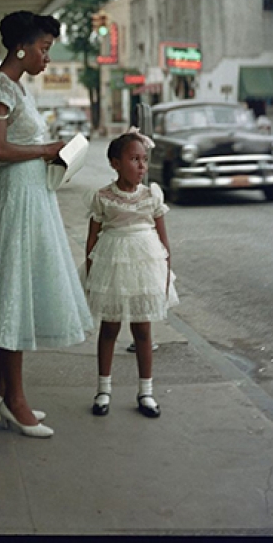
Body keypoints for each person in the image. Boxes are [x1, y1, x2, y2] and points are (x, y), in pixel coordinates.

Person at [0, 11, 95, 439]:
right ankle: (15, 400)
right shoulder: (0, 87)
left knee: (18, 293)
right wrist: (47, 149)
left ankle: (4, 392)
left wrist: (51, 153)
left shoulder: (16, 88)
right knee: (12, 294)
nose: (47, 58)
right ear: (21, 47)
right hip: (15, 198)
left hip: (32, 196)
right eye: (44, 49)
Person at [82, 129, 176, 418]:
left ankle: (146, 391)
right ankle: (103, 389)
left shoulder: (151, 196)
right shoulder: (103, 197)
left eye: (144, 159)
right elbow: (92, 239)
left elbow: (164, 241)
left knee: (143, 330)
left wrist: (165, 274)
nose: (141, 166)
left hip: (144, 267)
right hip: (112, 265)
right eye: (134, 159)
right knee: (109, 327)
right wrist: (91, 275)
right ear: (115, 163)